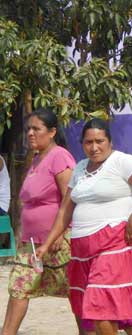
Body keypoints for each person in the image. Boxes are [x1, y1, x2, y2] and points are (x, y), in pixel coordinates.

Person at [36, 118, 132, 335]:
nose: (94, 147)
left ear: (110, 142)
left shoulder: (122, 161)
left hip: (114, 242)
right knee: (100, 306)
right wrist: (46, 244)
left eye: (100, 141)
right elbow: (65, 210)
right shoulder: (79, 168)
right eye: (88, 142)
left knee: (101, 306)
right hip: (82, 248)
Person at [1, 108, 77, 335]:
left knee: (76, 293)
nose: (31, 134)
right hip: (31, 243)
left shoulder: (60, 156)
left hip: (57, 241)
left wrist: (60, 233)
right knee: (18, 288)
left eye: (37, 129)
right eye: (28, 129)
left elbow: (69, 198)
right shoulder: (35, 159)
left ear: (52, 131)